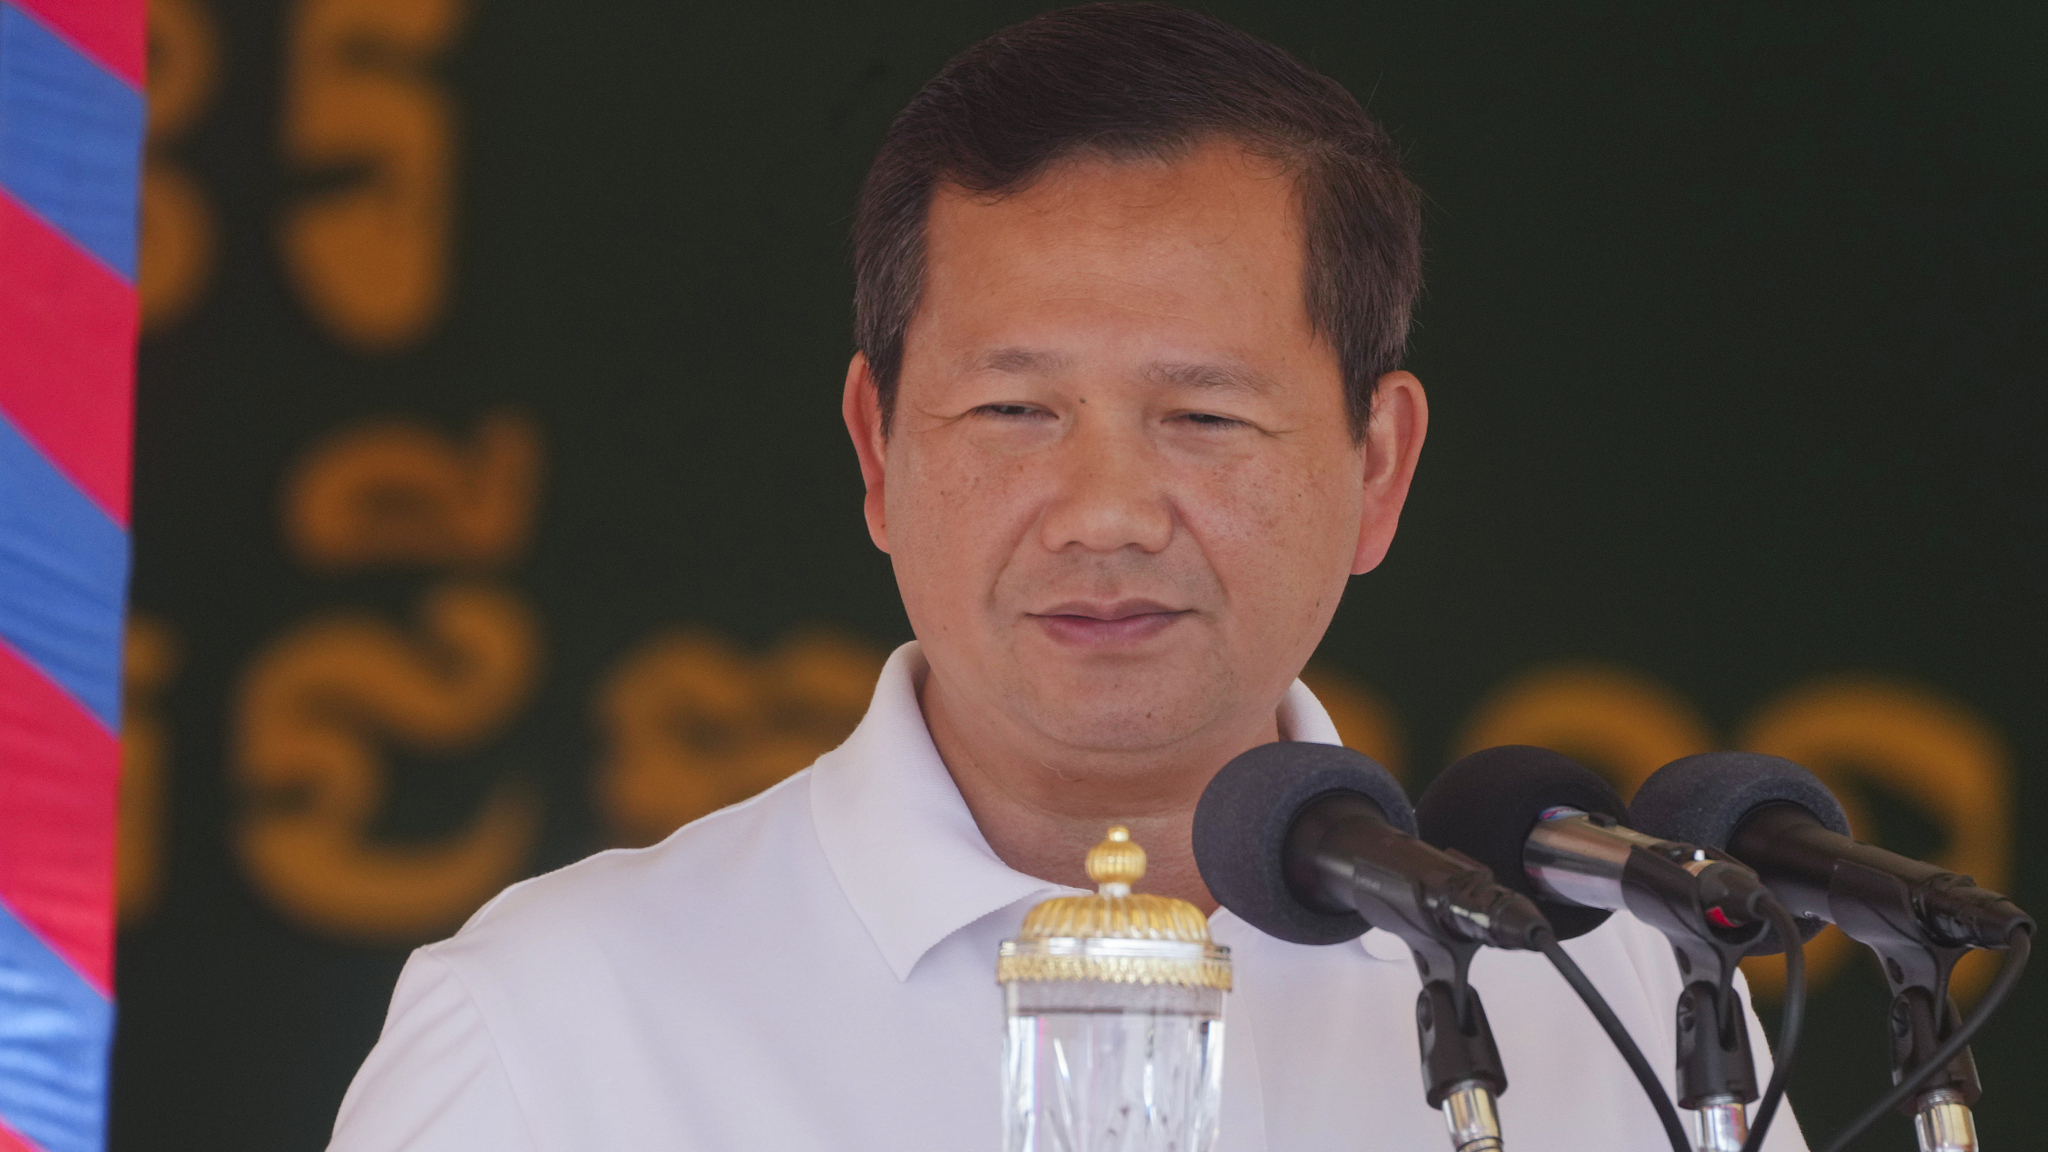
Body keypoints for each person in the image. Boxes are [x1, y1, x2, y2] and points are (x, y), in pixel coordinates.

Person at [327, 5, 1804, 1149]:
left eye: (1205, 418)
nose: (1104, 513)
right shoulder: (561, 1024)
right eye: (1014, 411)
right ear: (876, 451)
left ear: (1378, 466)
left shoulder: (1607, 1015)